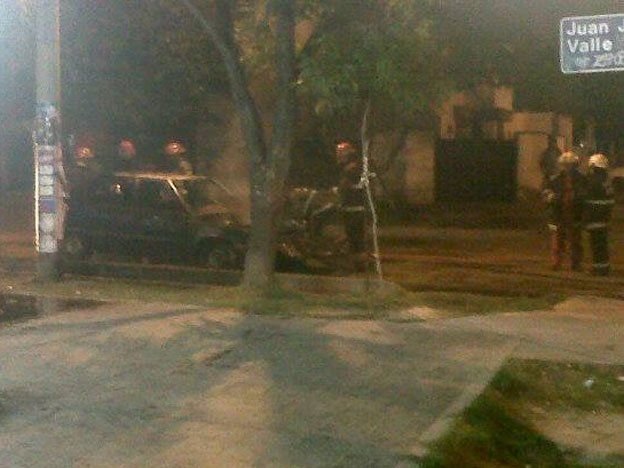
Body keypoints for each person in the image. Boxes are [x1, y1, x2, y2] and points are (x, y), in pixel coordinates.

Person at [543, 151, 587, 271]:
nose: (567, 167)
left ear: (575, 165)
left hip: (575, 213)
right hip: (558, 213)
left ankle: (576, 263)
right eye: (565, 165)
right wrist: (553, 198)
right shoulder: (555, 179)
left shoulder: (582, 179)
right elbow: (546, 194)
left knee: (575, 240)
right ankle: (556, 262)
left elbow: (585, 195)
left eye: (570, 165)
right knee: (557, 240)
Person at [584, 153, 615, 276]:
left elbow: (587, 200)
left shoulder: (593, 181)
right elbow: (610, 200)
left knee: (596, 245)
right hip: (604, 218)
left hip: (594, 217)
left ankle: (598, 269)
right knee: (602, 244)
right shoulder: (606, 182)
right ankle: (604, 267)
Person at [336, 142, 367, 257]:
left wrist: (341, 189)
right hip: (354, 207)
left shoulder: (351, 169)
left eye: (341, 154)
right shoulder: (354, 168)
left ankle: (358, 259)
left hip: (353, 208)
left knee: (355, 236)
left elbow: (347, 186)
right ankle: (356, 256)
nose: (339, 157)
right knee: (354, 236)